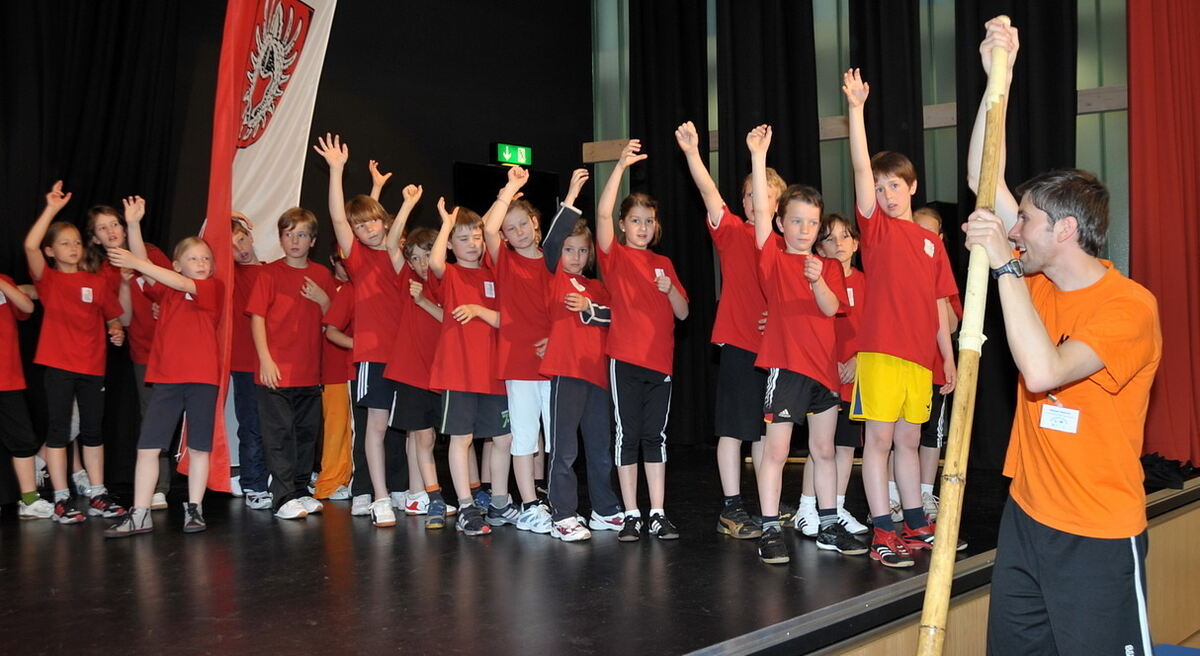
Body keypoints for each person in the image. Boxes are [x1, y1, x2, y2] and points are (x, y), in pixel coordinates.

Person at [962, 18, 1160, 654]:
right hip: (1028, 518)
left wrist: (1001, 267)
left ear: (1067, 231)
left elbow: (1044, 371)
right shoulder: (1037, 282)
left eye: (1027, 220)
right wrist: (1001, 78)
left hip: (1097, 532)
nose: (1014, 229)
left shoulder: (1129, 307)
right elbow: (980, 178)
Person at [843, 68, 959, 567]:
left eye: (896, 186)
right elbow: (859, 173)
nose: (887, 194)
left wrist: (946, 358)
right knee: (881, 439)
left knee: (910, 439)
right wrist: (855, 110)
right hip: (880, 353)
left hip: (920, 358)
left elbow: (939, 305)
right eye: (881, 187)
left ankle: (915, 521)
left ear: (912, 187)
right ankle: (882, 530)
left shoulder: (932, 243)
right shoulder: (878, 232)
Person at [748, 125, 866, 564]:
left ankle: (829, 522)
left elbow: (833, 306)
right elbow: (760, 210)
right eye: (795, 220)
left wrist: (818, 279)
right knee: (776, 451)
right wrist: (759, 158)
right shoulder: (774, 258)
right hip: (787, 367)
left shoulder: (828, 266)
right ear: (782, 224)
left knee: (824, 451)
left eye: (811, 222)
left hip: (823, 373)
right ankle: (768, 528)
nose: (803, 228)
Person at [676, 119, 786, 540]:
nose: (756, 201)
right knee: (734, 430)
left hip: (775, 350)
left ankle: (765, 504)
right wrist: (691, 153)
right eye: (749, 195)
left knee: (763, 430)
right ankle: (731, 507)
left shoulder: (785, 243)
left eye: (765, 196)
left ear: (777, 203)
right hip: (741, 344)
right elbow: (708, 192)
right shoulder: (733, 233)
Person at [595, 139, 690, 542]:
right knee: (627, 435)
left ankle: (658, 512)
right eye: (635, 220)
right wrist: (618, 166)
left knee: (656, 437)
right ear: (622, 224)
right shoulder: (613, 256)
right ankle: (631, 512)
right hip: (626, 360)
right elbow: (600, 211)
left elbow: (684, 312)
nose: (642, 227)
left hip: (660, 364)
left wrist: (669, 289)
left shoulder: (663, 263)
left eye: (649, 221)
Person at [313, 135, 408, 529]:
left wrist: (387, 197)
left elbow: (387, 229)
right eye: (358, 226)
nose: (366, 228)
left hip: (408, 355)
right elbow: (339, 216)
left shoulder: (396, 254)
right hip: (374, 355)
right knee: (375, 426)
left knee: (408, 428)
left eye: (372, 221)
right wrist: (336, 171)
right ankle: (378, 497)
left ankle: (410, 492)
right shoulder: (357, 260)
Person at [23, 181, 131, 524]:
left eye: (77, 242)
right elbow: (29, 245)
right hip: (58, 366)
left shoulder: (97, 282)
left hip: (92, 367)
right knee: (57, 432)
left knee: (93, 431)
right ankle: (60, 498)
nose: (73, 247)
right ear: (51, 251)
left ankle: (97, 492)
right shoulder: (49, 280)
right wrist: (52, 209)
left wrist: (115, 330)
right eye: (64, 243)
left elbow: (114, 317)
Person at [103, 233, 224, 537]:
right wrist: (133, 226)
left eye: (206, 258)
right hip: (168, 378)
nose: (202, 263)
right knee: (148, 447)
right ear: (176, 265)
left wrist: (136, 261)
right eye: (194, 258)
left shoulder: (211, 287)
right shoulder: (165, 292)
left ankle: (194, 508)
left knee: (198, 447)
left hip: (202, 377)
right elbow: (151, 274)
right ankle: (140, 512)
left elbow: (178, 281)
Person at [539, 169, 623, 542]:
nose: (574, 256)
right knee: (565, 448)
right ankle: (563, 514)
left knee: (600, 448)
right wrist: (571, 196)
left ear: (590, 254)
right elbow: (553, 241)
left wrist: (590, 307)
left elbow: (618, 318)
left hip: (598, 375)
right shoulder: (553, 276)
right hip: (566, 371)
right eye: (569, 250)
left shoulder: (598, 287)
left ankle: (605, 510)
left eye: (582, 250)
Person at [245, 207, 336, 521]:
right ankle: (282, 495)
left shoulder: (322, 274)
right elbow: (257, 318)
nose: (295, 241)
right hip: (276, 372)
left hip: (310, 372)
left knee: (306, 434)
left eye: (301, 235)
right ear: (280, 238)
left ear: (312, 241)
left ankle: (299, 490)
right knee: (279, 435)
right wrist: (266, 360)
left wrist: (324, 300)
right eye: (288, 234)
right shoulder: (269, 273)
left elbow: (334, 321)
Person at [428, 198, 508, 537]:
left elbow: (511, 319)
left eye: (476, 237)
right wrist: (446, 223)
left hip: (494, 372)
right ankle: (465, 506)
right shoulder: (451, 273)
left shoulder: (495, 274)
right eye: (462, 239)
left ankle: (501, 503)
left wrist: (479, 310)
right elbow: (433, 261)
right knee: (462, 439)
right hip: (459, 372)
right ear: (450, 244)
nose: (472, 244)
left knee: (503, 438)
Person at [88, 197, 174, 509]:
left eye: (114, 224)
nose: (111, 231)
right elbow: (122, 319)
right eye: (102, 228)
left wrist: (161, 303)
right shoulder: (104, 272)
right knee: (153, 417)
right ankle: (159, 487)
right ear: (96, 238)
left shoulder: (149, 253)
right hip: (144, 354)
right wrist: (125, 284)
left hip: (176, 347)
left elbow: (178, 289)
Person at [481, 166, 555, 534]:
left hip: (555, 361)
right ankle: (528, 504)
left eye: (523, 224)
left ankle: (553, 497)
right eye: (510, 229)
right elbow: (487, 228)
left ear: (536, 224)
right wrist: (509, 190)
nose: (517, 232)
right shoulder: (505, 261)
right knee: (525, 435)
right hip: (519, 362)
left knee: (556, 434)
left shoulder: (554, 260)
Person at [792, 212, 870, 537]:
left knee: (846, 446)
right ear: (819, 247)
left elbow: (873, 327)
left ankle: (835, 507)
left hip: (856, 374)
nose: (838, 244)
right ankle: (807, 507)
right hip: (824, 371)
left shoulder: (867, 281)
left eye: (845, 236)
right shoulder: (815, 279)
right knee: (820, 446)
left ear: (856, 242)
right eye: (829, 238)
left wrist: (859, 360)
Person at [0, 274, 54, 520]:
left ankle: (29, 499)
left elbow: (27, 306)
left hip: (8, 378)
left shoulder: (4, 281)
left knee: (22, 439)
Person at [230, 215, 271, 510]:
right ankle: (253, 483)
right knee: (251, 424)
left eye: (242, 239)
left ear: (251, 236)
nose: (240, 249)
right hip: (245, 362)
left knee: (277, 424)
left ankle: (271, 477)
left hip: (275, 361)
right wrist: (229, 214)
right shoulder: (229, 274)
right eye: (232, 245)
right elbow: (207, 240)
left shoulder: (271, 272)